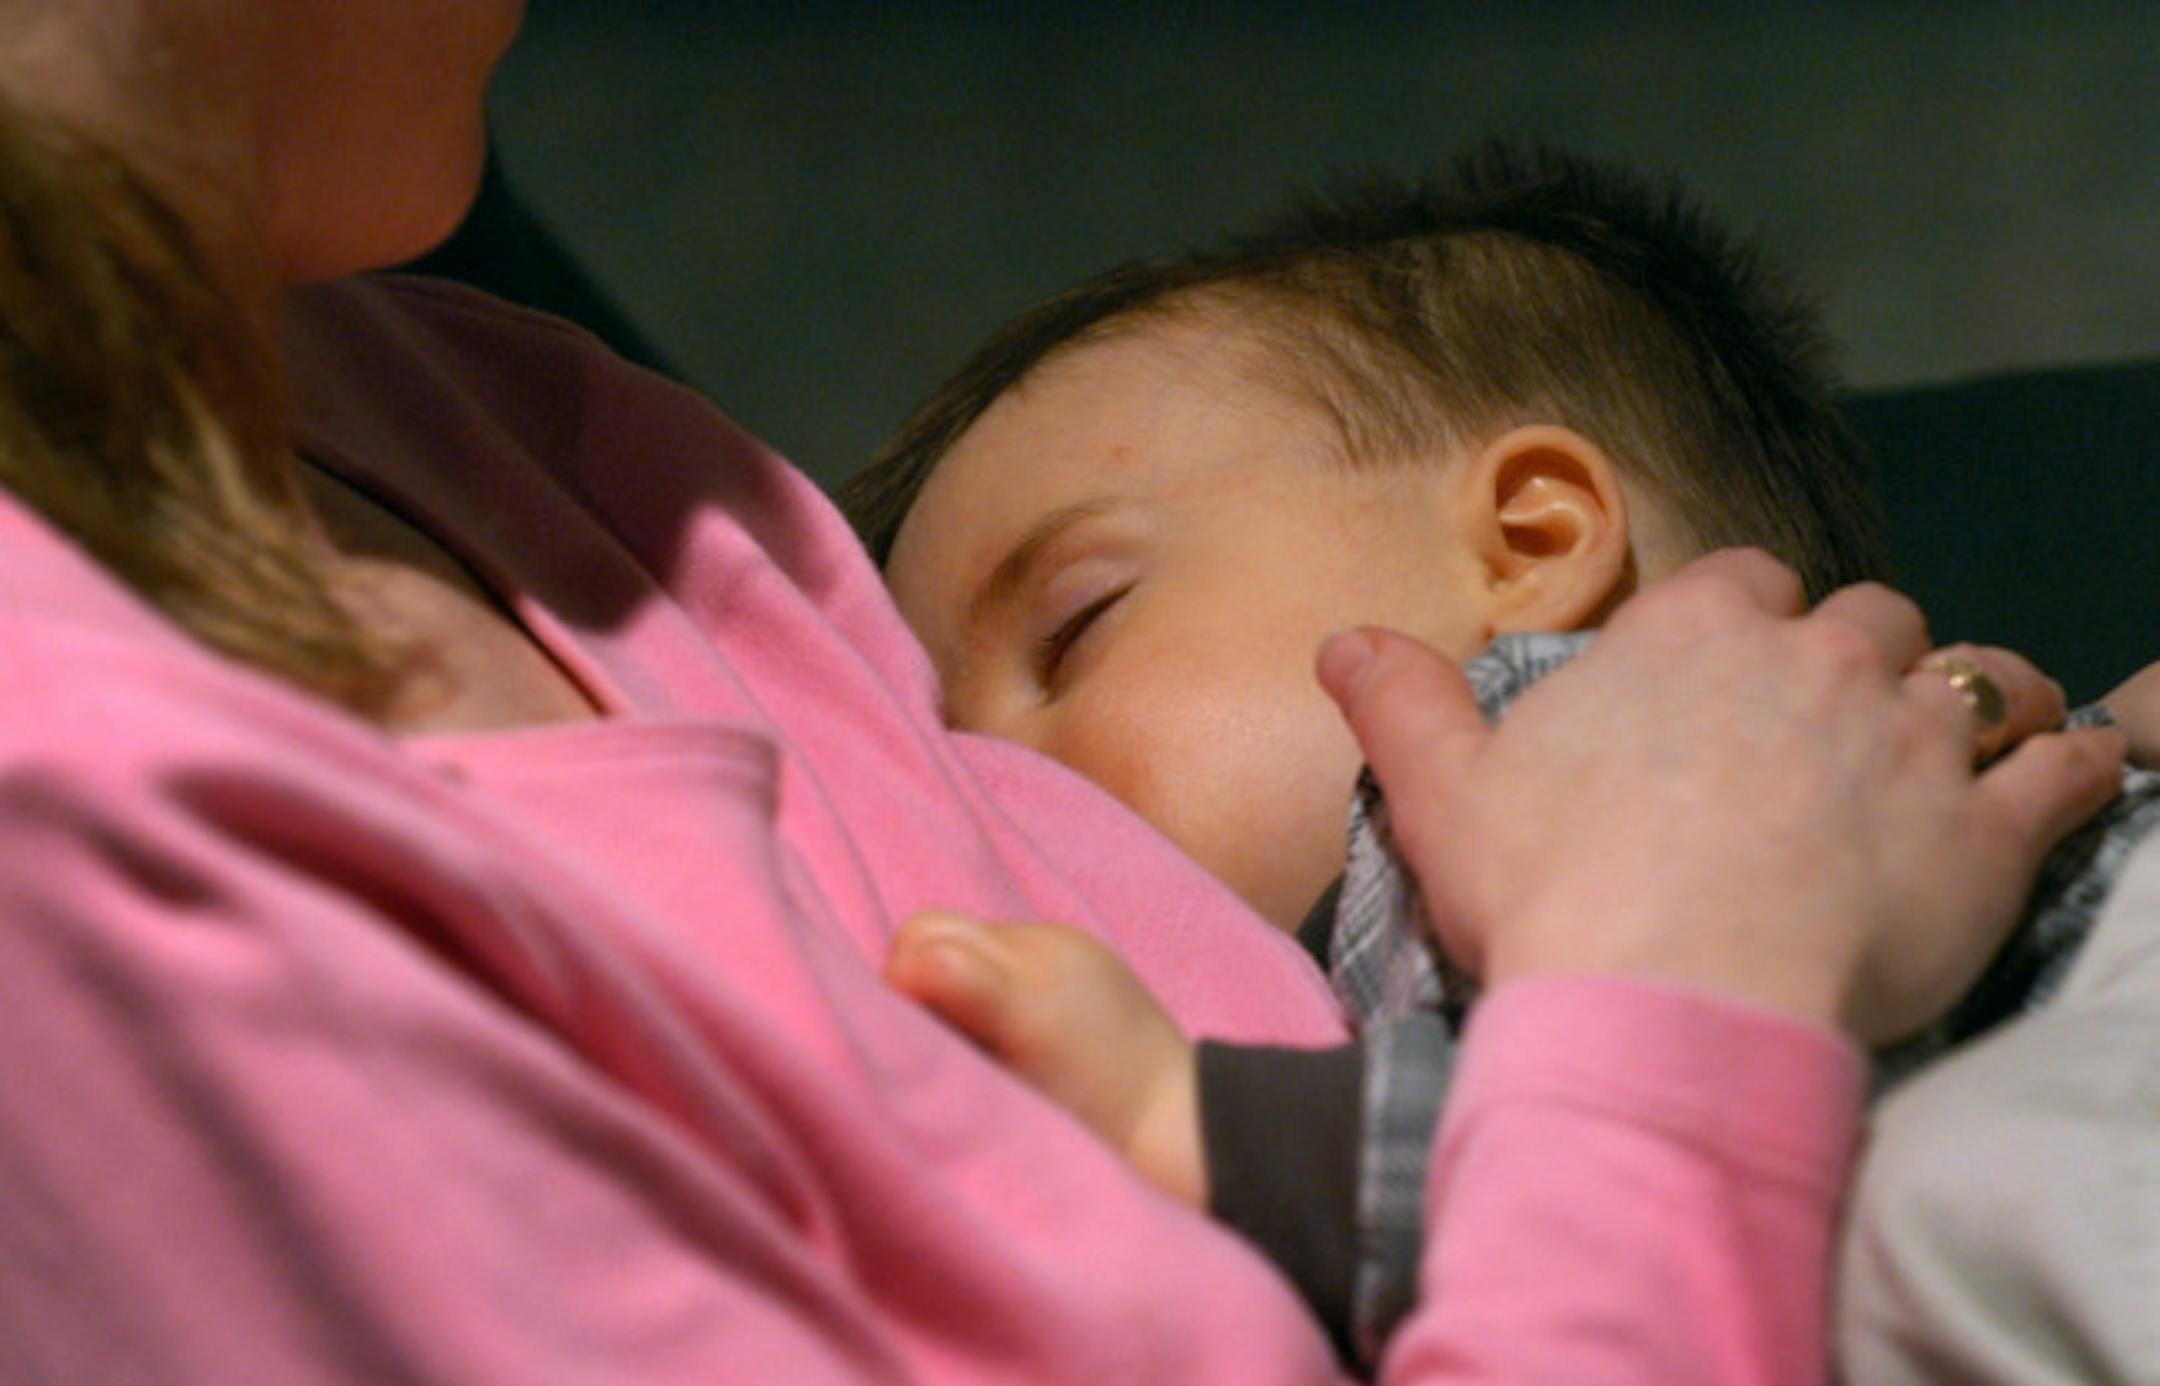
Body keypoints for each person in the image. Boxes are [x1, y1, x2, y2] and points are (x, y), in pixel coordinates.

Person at [0, 8, 2123, 1384]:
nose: (1008, 785)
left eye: (1079, 629)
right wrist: (1684, 985)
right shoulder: (85, 856)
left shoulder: (434, 383)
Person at [841, 149, 2160, 1371]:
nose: (998, 790)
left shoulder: (1518, 758)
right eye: (949, 759)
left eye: (1076, 626)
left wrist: (1198, 1124)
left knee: (1948, 1202)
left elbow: (1554, 1119)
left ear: (1527, 545)